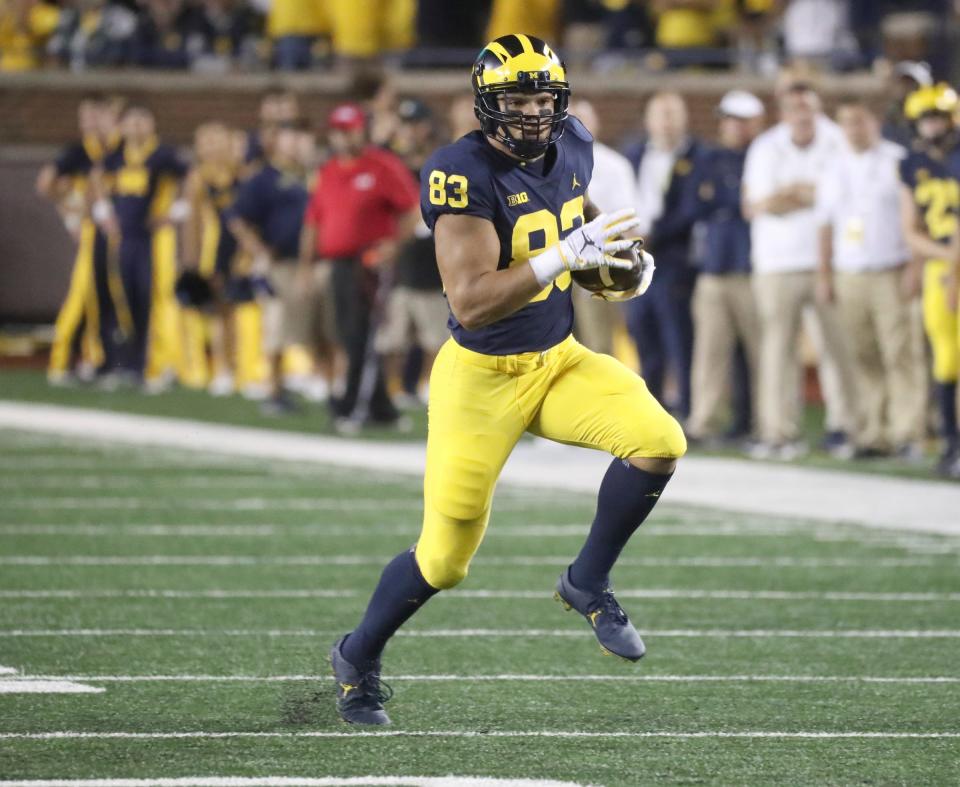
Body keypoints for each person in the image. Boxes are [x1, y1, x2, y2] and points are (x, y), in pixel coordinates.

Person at [329, 33, 683, 726]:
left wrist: (613, 260)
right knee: (446, 556)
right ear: (486, 104)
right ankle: (357, 655)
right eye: (517, 99)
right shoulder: (458, 172)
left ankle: (587, 580)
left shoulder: (575, 144)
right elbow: (471, 299)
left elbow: (569, 221)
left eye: (543, 97)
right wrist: (562, 257)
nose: (532, 112)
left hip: (556, 358)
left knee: (659, 440)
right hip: (481, 377)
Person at [742, 82, 858, 459]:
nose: (802, 115)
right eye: (794, 108)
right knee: (776, 349)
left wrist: (790, 194)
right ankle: (778, 430)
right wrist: (808, 193)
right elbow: (758, 205)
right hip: (776, 262)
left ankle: (846, 426)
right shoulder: (766, 145)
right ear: (784, 112)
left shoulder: (838, 139)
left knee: (838, 347)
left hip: (832, 259)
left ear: (818, 108)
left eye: (808, 107)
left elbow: (846, 199)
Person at [817, 97, 926, 460]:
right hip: (850, 272)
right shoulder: (832, 166)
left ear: (875, 122)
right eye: (847, 122)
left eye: (860, 121)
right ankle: (873, 432)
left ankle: (907, 432)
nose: (854, 129)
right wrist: (825, 274)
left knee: (900, 353)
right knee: (862, 355)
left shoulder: (897, 160)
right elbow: (825, 225)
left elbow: (916, 220)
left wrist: (915, 267)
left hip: (890, 269)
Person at [300, 102, 420, 430]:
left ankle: (352, 406)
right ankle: (383, 410)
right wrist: (305, 266)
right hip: (337, 264)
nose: (343, 137)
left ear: (360, 130)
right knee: (350, 335)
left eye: (348, 130)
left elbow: (412, 210)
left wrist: (394, 246)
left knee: (362, 335)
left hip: (369, 264)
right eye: (337, 131)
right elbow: (312, 221)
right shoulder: (327, 171)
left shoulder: (382, 165)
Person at [685, 90, 764, 445]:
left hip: (755, 268)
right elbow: (696, 203)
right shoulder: (709, 158)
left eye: (739, 119)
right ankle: (705, 422)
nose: (731, 126)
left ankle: (765, 424)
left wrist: (726, 201)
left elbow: (727, 200)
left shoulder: (765, 156)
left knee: (763, 354)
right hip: (714, 267)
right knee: (710, 353)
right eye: (728, 118)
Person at [93, 103, 189, 389]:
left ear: (152, 124)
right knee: (124, 298)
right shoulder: (116, 156)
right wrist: (103, 213)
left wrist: (176, 212)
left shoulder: (163, 154)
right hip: (124, 238)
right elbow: (97, 177)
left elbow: (190, 177)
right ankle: (128, 363)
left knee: (154, 298)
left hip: (153, 239)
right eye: (130, 121)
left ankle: (158, 364)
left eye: (141, 120)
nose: (136, 126)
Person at [624, 92, 706, 419]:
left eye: (674, 113)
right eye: (661, 114)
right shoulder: (633, 154)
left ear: (684, 118)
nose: (667, 121)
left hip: (674, 260)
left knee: (679, 340)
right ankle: (650, 411)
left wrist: (653, 235)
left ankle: (686, 411)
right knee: (643, 338)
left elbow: (693, 209)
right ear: (648, 120)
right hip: (635, 261)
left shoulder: (699, 156)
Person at [229, 120, 313, 415]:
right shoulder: (264, 178)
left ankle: (315, 383)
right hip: (279, 263)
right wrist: (258, 251)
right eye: (290, 138)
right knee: (276, 326)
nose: (296, 144)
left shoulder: (311, 175)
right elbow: (237, 218)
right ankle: (274, 389)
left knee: (312, 326)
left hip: (310, 263)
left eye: (300, 137)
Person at [37, 93, 122, 385]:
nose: (90, 122)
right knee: (81, 295)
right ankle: (60, 362)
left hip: (115, 233)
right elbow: (47, 184)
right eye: (85, 117)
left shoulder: (112, 150)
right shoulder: (78, 152)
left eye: (95, 116)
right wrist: (71, 214)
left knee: (104, 298)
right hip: (92, 232)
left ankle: (97, 359)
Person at [899, 83, 960, 477]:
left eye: (938, 117)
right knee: (945, 360)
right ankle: (951, 446)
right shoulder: (911, 163)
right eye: (926, 118)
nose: (933, 125)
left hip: (950, 267)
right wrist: (933, 263)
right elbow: (911, 228)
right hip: (940, 265)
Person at [375, 98, 449, 406]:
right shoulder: (391, 162)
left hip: (432, 258)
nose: (409, 131)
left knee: (435, 334)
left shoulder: (441, 160)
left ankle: (424, 386)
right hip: (399, 256)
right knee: (393, 336)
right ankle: (391, 389)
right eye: (404, 124)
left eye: (414, 124)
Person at [567, 98, 635, 356]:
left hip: (597, 265)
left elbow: (629, 224)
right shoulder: (543, 163)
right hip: (554, 267)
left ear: (596, 123)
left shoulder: (614, 165)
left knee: (599, 348)